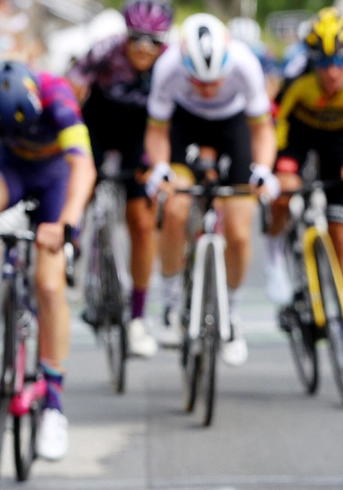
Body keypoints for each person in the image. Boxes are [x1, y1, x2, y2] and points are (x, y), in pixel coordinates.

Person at [0, 61, 96, 460]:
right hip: (6, 166)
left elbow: (84, 165)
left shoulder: (58, 95)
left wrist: (65, 224)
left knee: (48, 284)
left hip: (55, 176)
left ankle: (55, 406)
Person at [144, 13, 277, 366]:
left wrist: (263, 170)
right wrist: (159, 169)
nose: (207, 88)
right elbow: (157, 131)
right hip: (185, 127)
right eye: (198, 82)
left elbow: (263, 130)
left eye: (214, 80)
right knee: (173, 208)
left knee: (239, 231)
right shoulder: (167, 66)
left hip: (234, 128)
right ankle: (171, 306)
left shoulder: (246, 65)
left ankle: (231, 315)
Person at [267, 7, 343, 374]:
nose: (332, 72)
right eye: (323, 63)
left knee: (341, 237)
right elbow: (273, 125)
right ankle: (275, 258)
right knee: (284, 191)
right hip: (298, 137)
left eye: (340, 62)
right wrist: (275, 170)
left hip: (339, 143)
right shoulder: (295, 76)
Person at [66, 0, 174, 358]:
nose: (145, 49)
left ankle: (138, 316)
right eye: (137, 39)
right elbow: (72, 88)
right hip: (98, 122)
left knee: (142, 221)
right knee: (81, 182)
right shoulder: (105, 51)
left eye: (153, 42)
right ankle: (74, 243)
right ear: (126, 36)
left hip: (139, 135)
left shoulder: (172, 62)